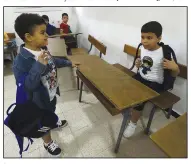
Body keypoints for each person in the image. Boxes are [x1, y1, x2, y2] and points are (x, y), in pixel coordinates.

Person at [13, 13, 79, 157]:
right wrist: (38, 66)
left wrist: (68, 62)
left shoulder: (42, 49)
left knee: (51, 110)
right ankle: (48, 142)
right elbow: (26, 87)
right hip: (37, 101)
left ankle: (53, 120)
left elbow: (52, 61)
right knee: (43, 122)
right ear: (29, 37)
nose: (47, 35)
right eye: (42, 32)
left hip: (51, 92)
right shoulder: (20, 62)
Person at [123, 21, 180, 138]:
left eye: (149, 37)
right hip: (141, 77)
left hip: (155, 84)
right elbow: (145, 64)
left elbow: (174, 72)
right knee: (125, 85)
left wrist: (175, 68)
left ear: (159, 38)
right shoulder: (143, 48)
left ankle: (133, 123)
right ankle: (129, 108)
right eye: (142, 37)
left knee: (138, 100)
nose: (144, 41)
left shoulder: (165, 52)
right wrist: (138, 63)